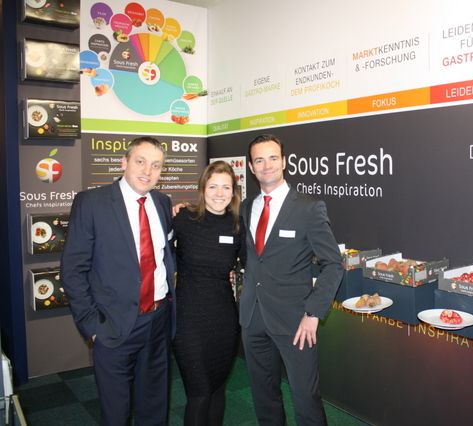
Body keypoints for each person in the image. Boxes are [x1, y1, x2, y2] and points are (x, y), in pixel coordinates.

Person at [61, 137, 175, 425]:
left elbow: (164, 257)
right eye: (140, 161)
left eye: (156, 165)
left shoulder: (162, 203)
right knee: (116, 412)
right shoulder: (92, 202)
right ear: (124, 162)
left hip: (158, 321)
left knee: (155, 406)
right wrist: (92, 326)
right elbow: (73, 269)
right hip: (113, 326)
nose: (147, 171)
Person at [240, 134, 344, 425]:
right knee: (264, 396)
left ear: (284, 161)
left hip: (296, 322)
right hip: (252, 317)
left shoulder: (309, 208)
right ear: (251, 167)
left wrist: (313, 313)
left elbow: (333, 264)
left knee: (305, 399)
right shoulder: (247, 207)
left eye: (273, 158)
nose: (267, 165)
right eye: (259, 160)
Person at [172, 161, 246, 425]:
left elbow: (254, 264)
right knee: (199, 392)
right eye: (213, 186)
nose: (219, 193)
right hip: (188, 320)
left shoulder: (237, 225)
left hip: (224, 319)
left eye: (226, 187)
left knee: (216, 388)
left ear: (233, 192)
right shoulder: (183, 218)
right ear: (203, 188)